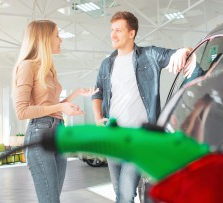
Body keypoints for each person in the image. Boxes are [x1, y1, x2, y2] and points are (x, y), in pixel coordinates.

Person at [92, 11, 195, 203]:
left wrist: (185, 50)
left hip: (139, 138)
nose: (113, 35)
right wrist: (98, 118)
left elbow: (180, 53)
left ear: (131, 33)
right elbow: (97, 93)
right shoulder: (106, 65)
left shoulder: (150, 55)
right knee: (119, 192)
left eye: (118, 30)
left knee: (125, 193)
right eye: (112, 30)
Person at [12, 20, 97, 203]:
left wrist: (73, 96)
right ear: (44, 38)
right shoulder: (27, 66)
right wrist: (60, 107)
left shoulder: (48, 69)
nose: (61, 40)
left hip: (58, 132)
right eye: (57, 35)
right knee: (50, 200)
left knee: (53, 198)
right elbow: (22, 111)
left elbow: (50, 106)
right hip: (39, 135)